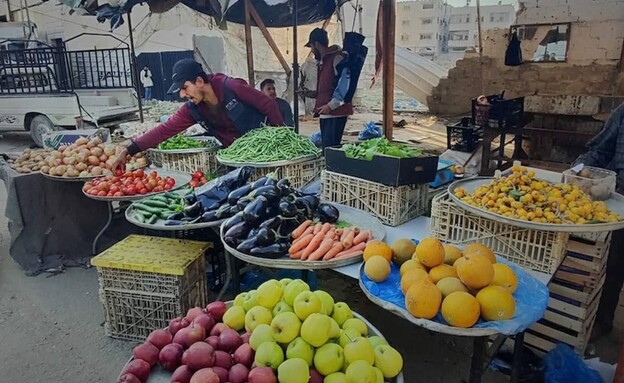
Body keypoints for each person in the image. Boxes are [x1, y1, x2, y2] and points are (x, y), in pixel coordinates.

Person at [113, 59, 283, 168]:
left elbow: (269, 105)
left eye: (184, 88)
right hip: (237, 161)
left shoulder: (232, 87)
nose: (182, 95)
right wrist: (129, 150)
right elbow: (164, 130)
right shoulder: (192, 109)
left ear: (200, 81)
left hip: (266, 156)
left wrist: (281, 139)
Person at [573, 102, 624, 340]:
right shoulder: (622, 113)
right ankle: (601, 320)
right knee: (612, 260)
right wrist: (578, 168)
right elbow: (600, 150)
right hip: (617, 200)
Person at [305, 28, 353, 149]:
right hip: (327, 113)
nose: (311, 50)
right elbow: (329, 86)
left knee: (331, 149)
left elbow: (344, 85)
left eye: (311, 46)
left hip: (336, 113)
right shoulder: (324, 61)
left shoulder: (337, 58)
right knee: (327, 147)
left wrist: (331, 105)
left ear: (316, 44)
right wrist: (313, 94)